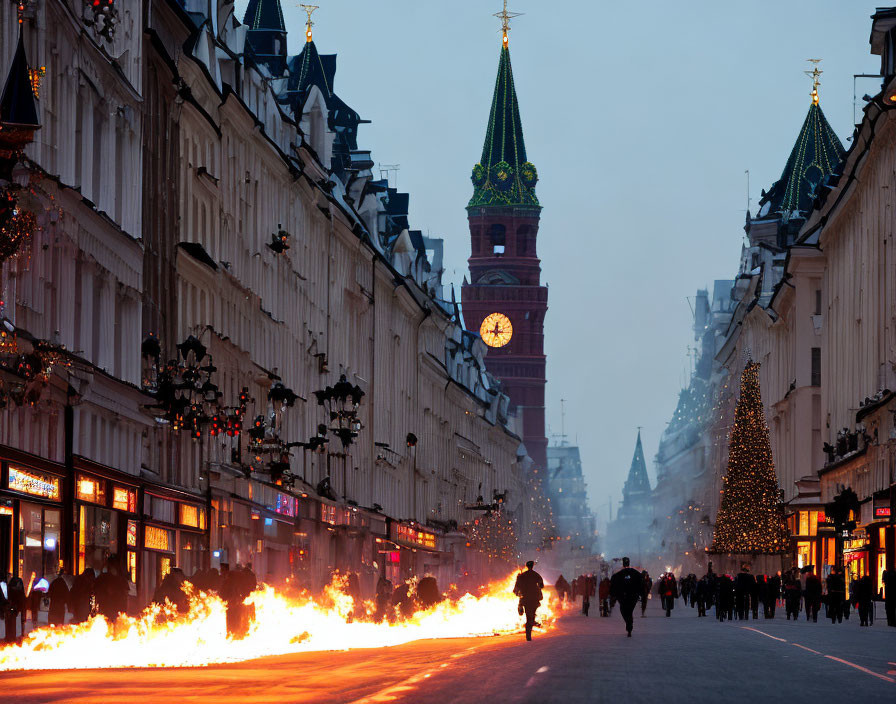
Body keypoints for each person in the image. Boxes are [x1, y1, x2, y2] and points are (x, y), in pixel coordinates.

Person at [609, 557, 643, 637]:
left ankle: (629, 625)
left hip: (623, 597)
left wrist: (613, 595)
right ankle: (629, 625)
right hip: (632, 596)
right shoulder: (636, 574)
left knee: (624, 611)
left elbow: (613, 586)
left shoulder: (617, 575)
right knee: (629, 611)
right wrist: (640, 594)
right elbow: (641, 584)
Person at [513, 561, 544, 641]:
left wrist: (518, 592)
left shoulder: (522, 576)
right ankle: (529, 632)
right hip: (534, 598)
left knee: (528, 615)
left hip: (525, 598)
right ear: (532, 566)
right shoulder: (536, 575)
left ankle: (528, 633)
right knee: (531, 616)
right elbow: (541, 585)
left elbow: (516, 588)